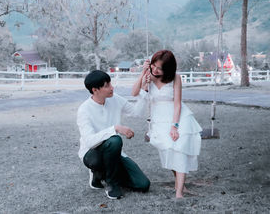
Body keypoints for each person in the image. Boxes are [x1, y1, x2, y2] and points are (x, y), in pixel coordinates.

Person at [132, 50, 202, 198]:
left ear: (168, 69)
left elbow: (177, 104)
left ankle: (179, 192)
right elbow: (134, 93)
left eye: (160, 68)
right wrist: (144, 72)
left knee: (180, 148)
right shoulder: (148, 76)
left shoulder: (176, 78)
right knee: (169, 150)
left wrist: (174, 126)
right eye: (153, 65)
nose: (155, 70)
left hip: (178, 117)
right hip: (158, 119)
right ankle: (179, 184)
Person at [77, 70, 150, 200]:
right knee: (115, 140)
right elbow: (89, 141)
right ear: (95, 90)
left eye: (110, 83)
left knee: (143, 184)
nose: (112, 88)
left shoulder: (115, 99)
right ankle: (111, 183)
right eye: (107, 86)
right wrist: (115, 128)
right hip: (92, 154)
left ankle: (102, 175)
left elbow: (136, 112)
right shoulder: (84, 109)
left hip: (114, 154)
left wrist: (144, 91)